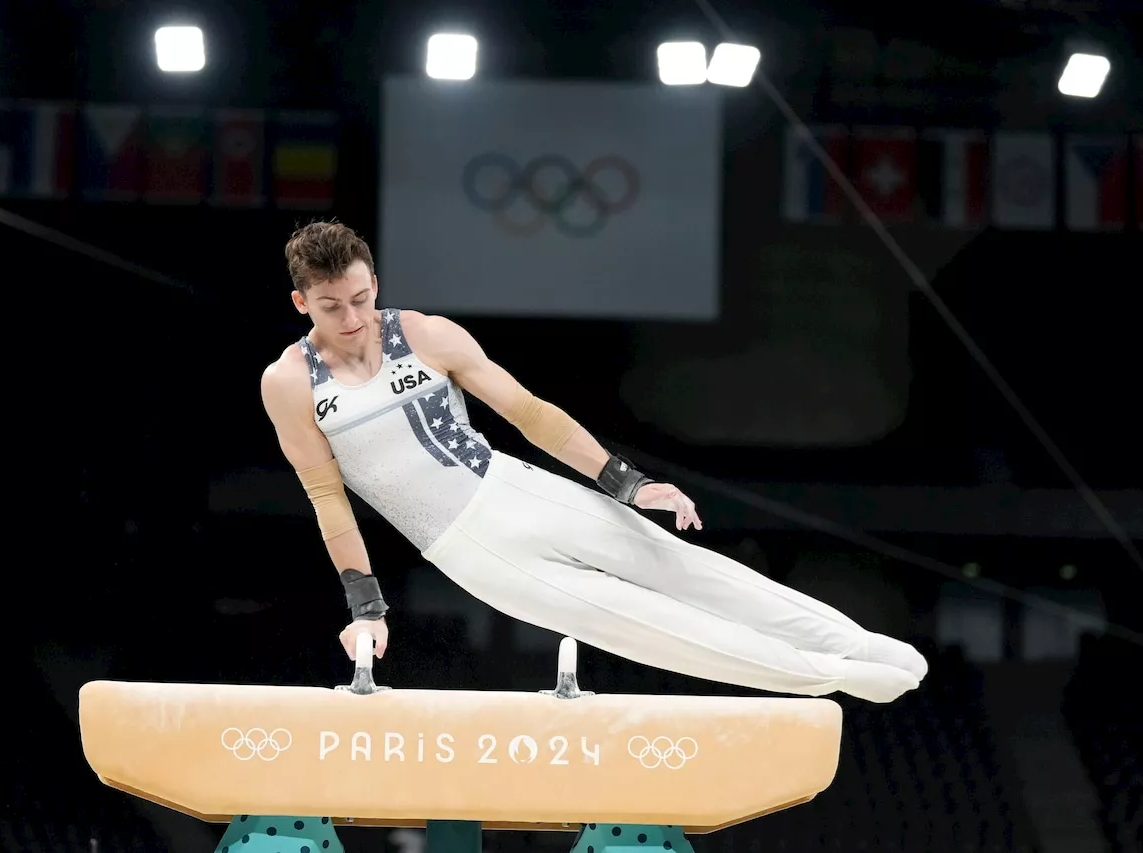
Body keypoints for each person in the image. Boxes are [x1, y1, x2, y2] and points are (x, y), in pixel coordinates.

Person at [260, 221, 928, 703]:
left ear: (373, 282)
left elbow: (531, 413)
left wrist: (627, 482)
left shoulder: (427, 334)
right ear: (301, 303)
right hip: (468, 547)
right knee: (654, 628)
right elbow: (328, 498)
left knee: (689, 569)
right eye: (330, 306)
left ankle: (855, 643)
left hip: (518, 487)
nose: (351, 317)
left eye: (359, 297)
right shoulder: (291, 383)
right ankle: (830, 676)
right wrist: (366, 606)